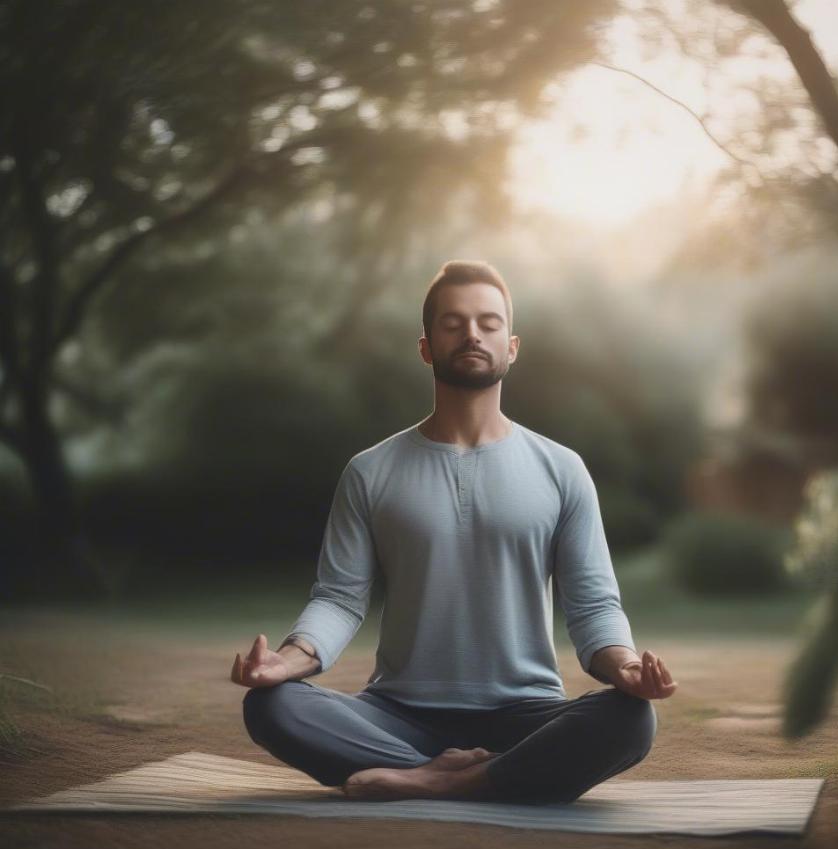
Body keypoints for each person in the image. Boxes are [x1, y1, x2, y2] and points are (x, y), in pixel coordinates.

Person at [233, 260, 677, 805]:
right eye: (454, 323)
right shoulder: (370, 471)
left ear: (511, 347)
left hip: (526, 713)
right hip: (396, 714)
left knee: (631, 719)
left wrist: (627, 667)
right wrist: (288, 661)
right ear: (426, 347)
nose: (472, 334)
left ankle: (434, 780)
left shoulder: (562, 469)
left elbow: (591, 606)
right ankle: (475, 775)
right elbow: (339, 599)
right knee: (272, 705)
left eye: (488, 323)